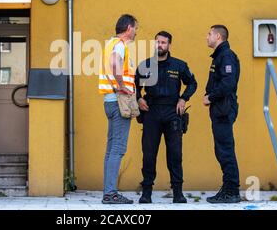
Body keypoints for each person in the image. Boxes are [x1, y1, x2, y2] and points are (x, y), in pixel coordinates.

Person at [135, 31, 197, 204]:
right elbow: (134, 86)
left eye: (163, 42)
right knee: (148, 154)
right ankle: (146, 192)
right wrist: (139, 98)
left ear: (169, 45)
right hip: (151, 112)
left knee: (175, 154)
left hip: (172, 113)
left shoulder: (179, 65)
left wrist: (183, 98)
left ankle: (178, 192)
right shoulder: (145, 65)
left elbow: (192, 83)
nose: (160, 45)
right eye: (157, 42)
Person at [98, 14, 138, 204]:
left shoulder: (109, 44)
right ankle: (111, 193)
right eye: (136, 28)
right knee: (118, 148)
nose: (136, 32)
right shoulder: (121, 45)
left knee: (111, 149)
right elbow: (115, 64)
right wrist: (122, 85)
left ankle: (108, 191)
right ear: (129, 28)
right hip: (119, 101)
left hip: (109, 100)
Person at [203, 25, 241, 204]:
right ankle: (227, 189)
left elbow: (228, 83)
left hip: (223, 110)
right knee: (222, 150)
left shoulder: (226, 56)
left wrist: (210, 97)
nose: (207, 36)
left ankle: (231, 191)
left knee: (225, 151)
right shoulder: (220, 55)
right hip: (220, 110)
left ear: (218, 36)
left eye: (209, 34)